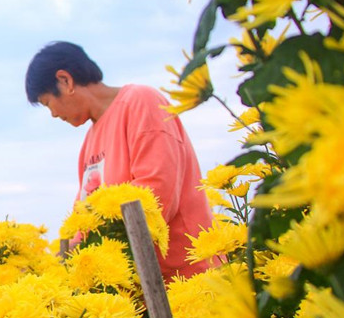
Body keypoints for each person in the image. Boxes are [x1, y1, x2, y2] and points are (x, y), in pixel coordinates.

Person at [25, 41, 213, 281]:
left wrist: (96, 253)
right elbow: (83, 214)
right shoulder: (90, 140)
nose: (52, 114)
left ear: (65, 81)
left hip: (186, 278)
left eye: (47, 103)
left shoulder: (142, 102)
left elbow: (157, 195)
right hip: (136, 284)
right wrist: (67, 264)